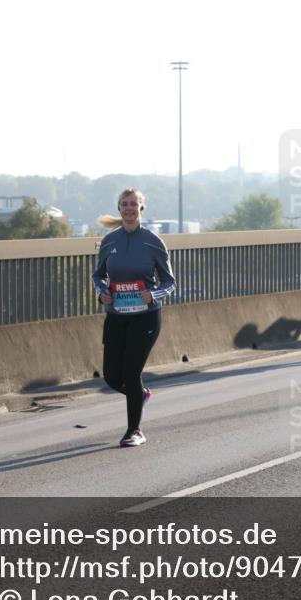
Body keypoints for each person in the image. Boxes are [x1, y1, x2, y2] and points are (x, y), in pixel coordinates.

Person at [92, 189, 176, 447]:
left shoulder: (152, 241)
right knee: (111, 376)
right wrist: (102, 293)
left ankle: (134, 430)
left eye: (134, 204)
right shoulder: (109, 241)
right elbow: (98, 276)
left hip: (146, 317)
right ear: (119, 209)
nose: (129, 208)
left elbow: (169, 282)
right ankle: (140, 395)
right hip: (117, 316)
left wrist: (153, 294)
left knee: (131, 371)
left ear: (142, 209)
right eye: (124, 204)